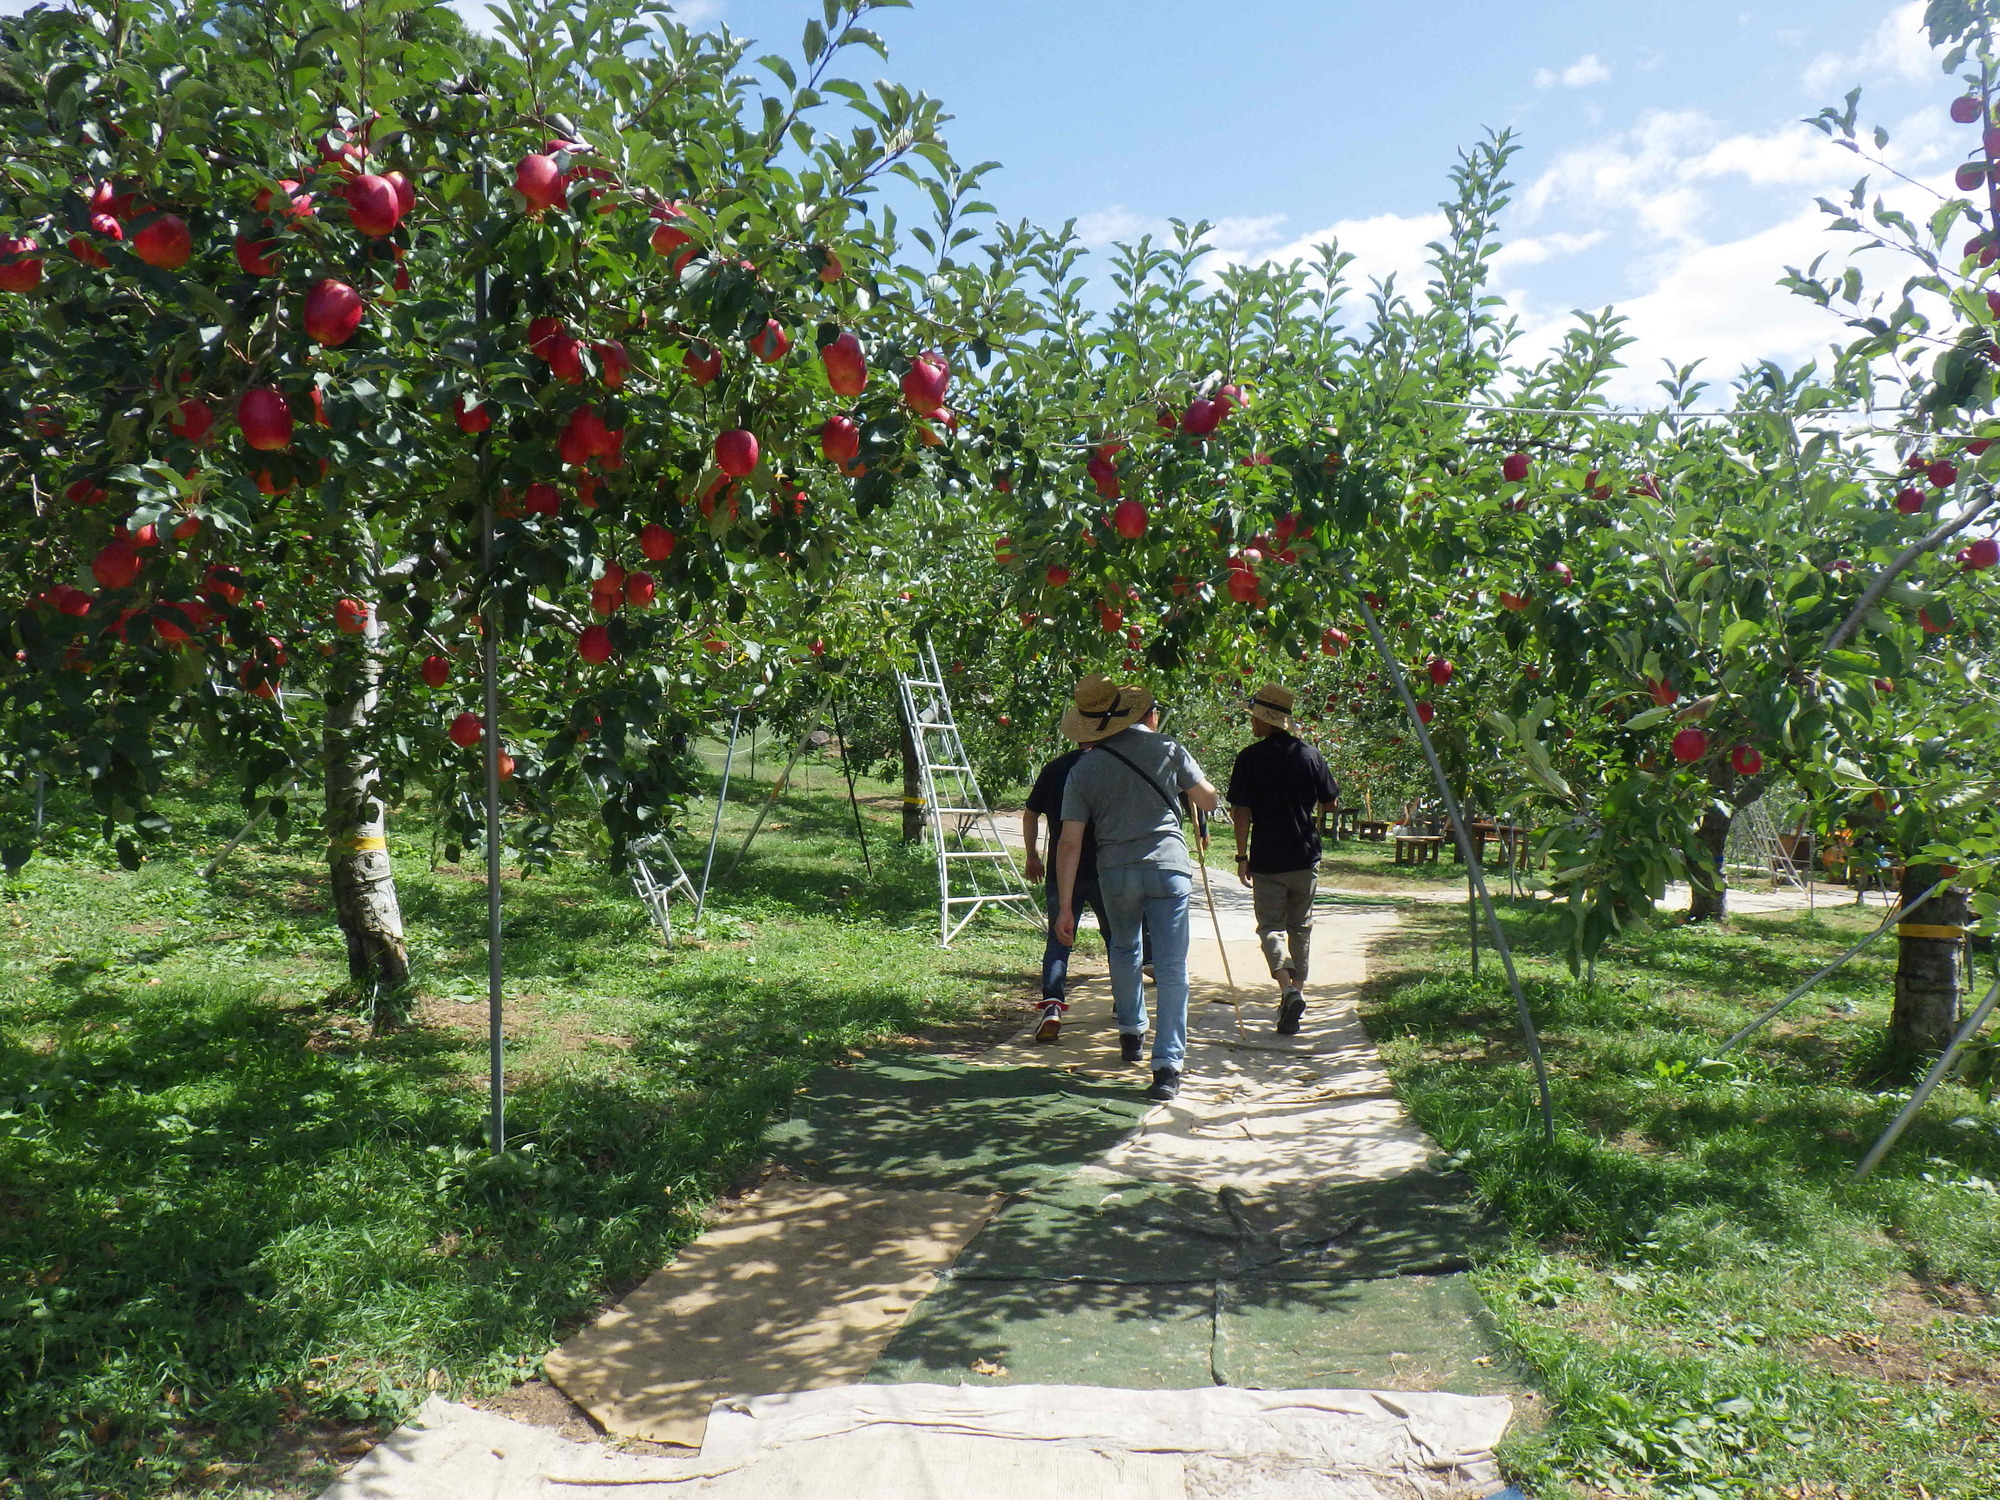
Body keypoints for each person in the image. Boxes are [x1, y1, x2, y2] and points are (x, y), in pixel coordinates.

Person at [1052, 675, 1218, 1102]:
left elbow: (1069, 841)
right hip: (1168, 868)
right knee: (1171, 966)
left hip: (1117, 870)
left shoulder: (1084, 768)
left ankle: (1131, 1032)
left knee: (1124, 949)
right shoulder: (1168, 748)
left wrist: (1065, 905)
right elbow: (1209, 800)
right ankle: (1167, 1067)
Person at [1226, 683, 1340, 1036]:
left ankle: (1287, 989)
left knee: (1270, 927)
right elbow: (1330, 802)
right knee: (1300, 927)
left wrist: (1242, 855)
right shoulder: (1310, 756)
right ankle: (1297, 995)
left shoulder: (1249, 758)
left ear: (1264, 721)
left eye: (1255, 719)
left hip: (1267, 857)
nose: (1252, 725)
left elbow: (1241, 811)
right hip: (1305, 855)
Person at [1023, 746, 1152, 1043]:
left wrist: (1032, 855)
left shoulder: (1055, 767)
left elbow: (1030, 814)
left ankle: (1052, 1005)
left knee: (1059, 939)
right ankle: (1124, 1002)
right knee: (1118, 938)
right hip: (1107, 868)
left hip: (1063, 869)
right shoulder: (1113, 768)